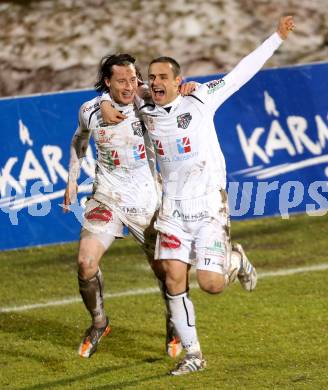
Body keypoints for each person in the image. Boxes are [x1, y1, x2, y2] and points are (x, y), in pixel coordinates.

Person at [101, 16, 295, 375]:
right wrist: (102, 104)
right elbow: (114, 93)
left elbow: (240, 73)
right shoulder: (143, 108)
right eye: (151, 77)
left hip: (208, 206)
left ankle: (234, 260)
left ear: (178, 81)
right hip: (172, 209)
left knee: (211, 285)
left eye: (163, 76)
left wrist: (276, 38)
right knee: (175, 279)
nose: (155, 82)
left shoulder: (202, 97)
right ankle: (194, 355)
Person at [64, 54, 194, 359]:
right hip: (107, 197)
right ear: (107, 82)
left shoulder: (148, 104)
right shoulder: (90, 111)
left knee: (166, 273)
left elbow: (174, 91)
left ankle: (174, 323)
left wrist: (189, 87)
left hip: (147, 202)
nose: (129, 85)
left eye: (133, 79)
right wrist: (72, 179)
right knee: (85, 263)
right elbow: (78, 140)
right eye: (121, 80)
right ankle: (99, 323)